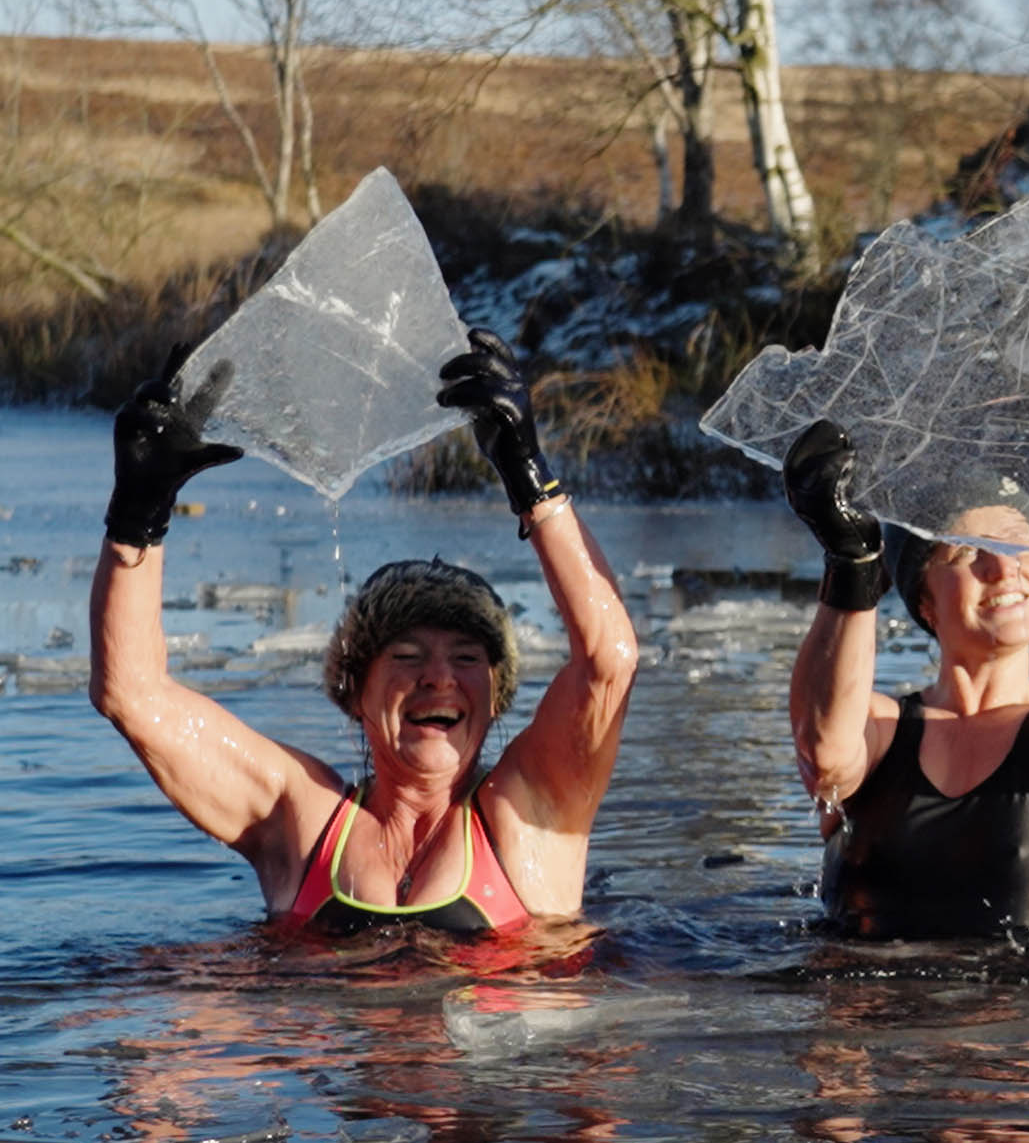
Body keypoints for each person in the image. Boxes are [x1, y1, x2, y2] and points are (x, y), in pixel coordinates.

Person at [89, 329, 638, 937]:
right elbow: (131, 694)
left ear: (497, 694)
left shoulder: (533, 806)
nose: (439, 676)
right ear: (354, 689)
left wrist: (531, 476)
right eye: (407, 656)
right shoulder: (299, 817)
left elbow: (608, 661)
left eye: (466, 657)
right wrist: (138, 512)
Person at [780, 373, 1029, 940]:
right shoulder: (878, 731)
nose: (1002, 566)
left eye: (1019, 544)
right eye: (967, 552)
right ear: (924, 600)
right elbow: (822, 751)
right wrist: (852, 565)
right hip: (885, 1020)